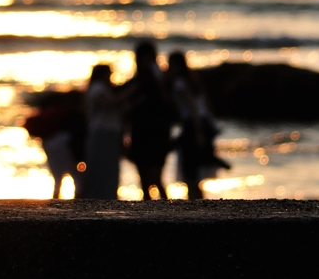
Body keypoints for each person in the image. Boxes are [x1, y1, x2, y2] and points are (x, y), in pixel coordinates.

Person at [167, 50, 229, 199]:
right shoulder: (193, 80)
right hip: (203, 122)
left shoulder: (179, 83)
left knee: (190, 171)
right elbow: (206, 104)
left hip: (192, 125)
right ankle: (199, 204)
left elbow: (192, 108)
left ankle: (194, 205)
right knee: (198, 170)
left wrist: (198, 131)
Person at [123, 40, 173, 200]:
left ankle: (169, 213)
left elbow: (167, 101)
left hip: (157, 132)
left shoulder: (159, 79)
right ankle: (150, 215)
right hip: (141, 132)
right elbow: (126, 108)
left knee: (156, 178)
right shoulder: (136, 82)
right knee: (145, 180)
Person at [23, 90, 86, 199]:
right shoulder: (70, 114)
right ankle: (77, 201)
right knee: (75, 175)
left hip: (49, 144)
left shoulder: (51, 113)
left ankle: (57, 199)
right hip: (62, 144)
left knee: (57, 176)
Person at [82, 63, 131, 200]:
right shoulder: (98, 88)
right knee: (102, 170)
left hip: (108, 134)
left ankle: (105, 198)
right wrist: (129, 93)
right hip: (102, 134)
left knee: (107, 171)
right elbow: (107, 103)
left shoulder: (104, 88)